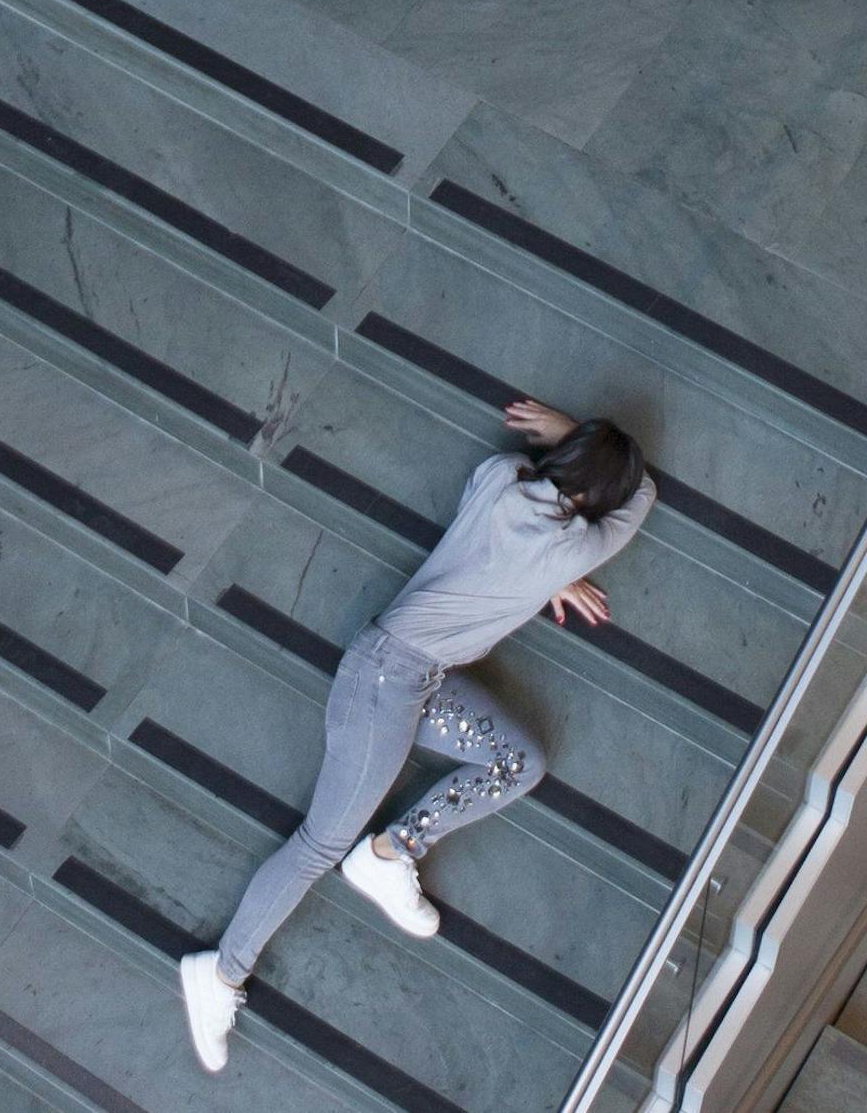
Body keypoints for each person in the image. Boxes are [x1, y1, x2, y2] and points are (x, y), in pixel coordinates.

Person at [180, 397, 657, 1072]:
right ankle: (221, 972)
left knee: (517, 761)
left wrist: (564, 445)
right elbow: (643, 495)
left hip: (415, 676)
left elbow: (509, 531)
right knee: (319, 843)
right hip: (387, 684)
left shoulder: (501, 475)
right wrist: (562, 549)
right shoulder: (574, 547)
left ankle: (389, 852)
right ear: (597, 498)